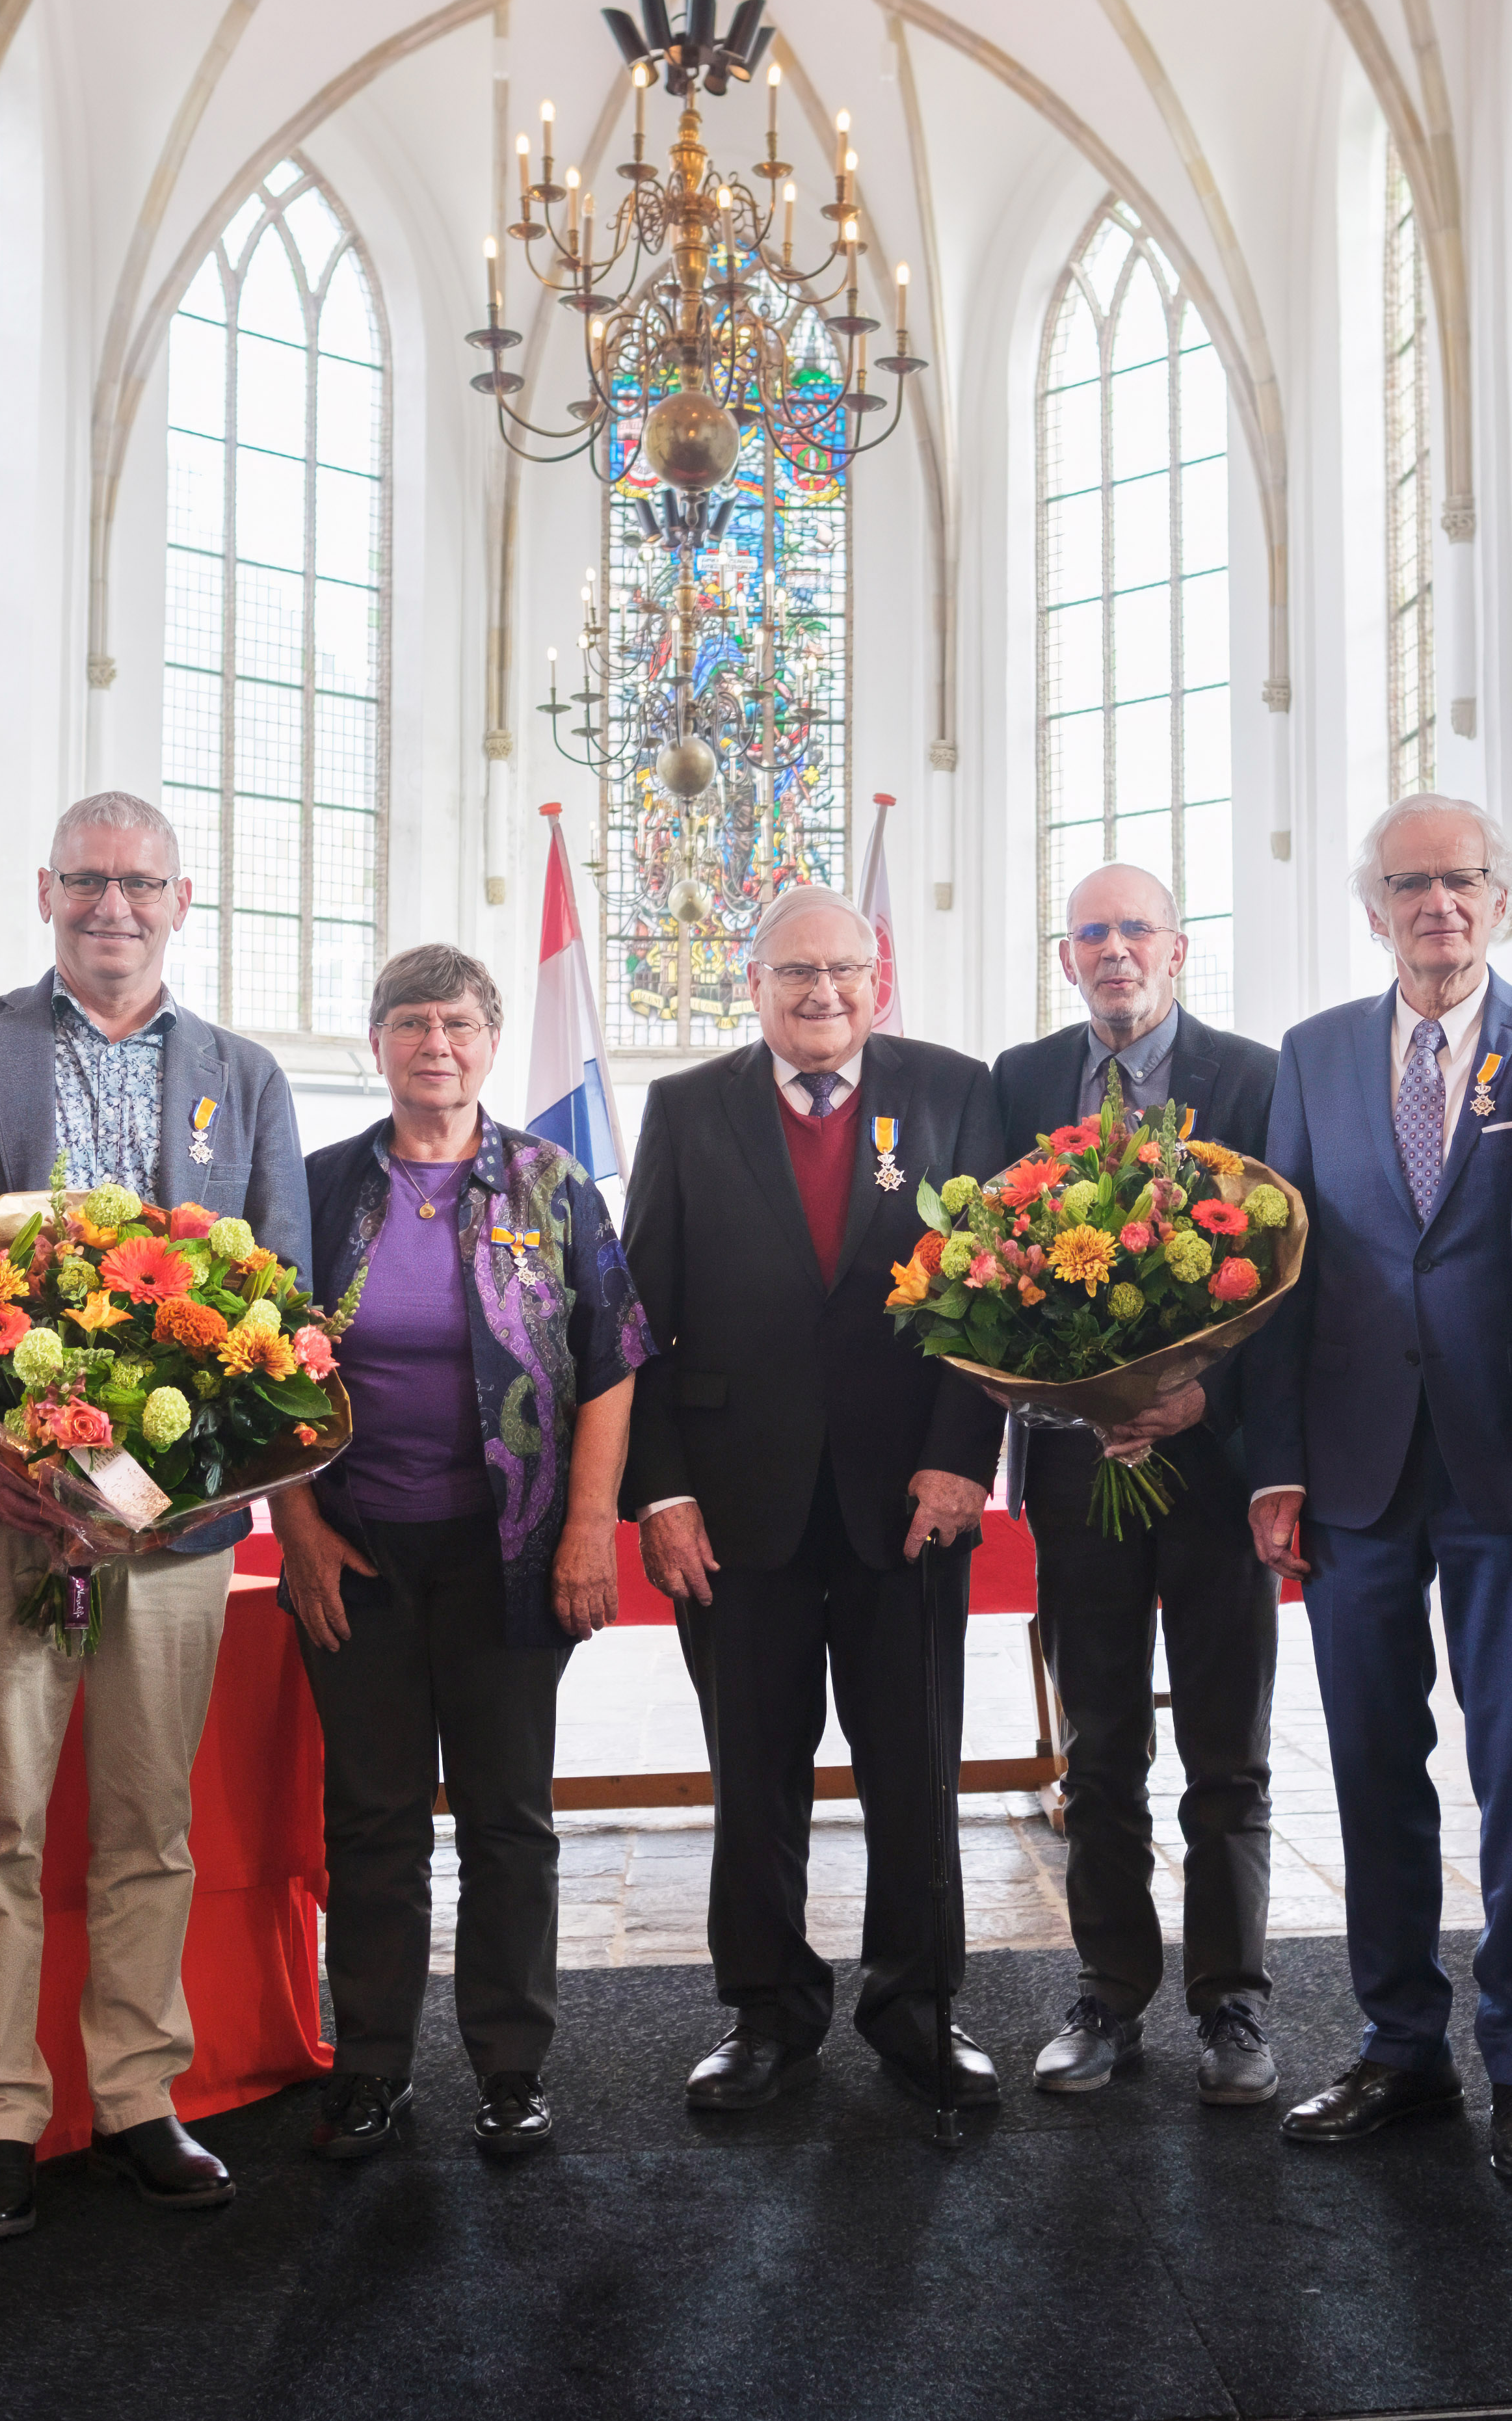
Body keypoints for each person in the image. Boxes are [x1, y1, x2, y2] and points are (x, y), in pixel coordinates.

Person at [0, 790, 310, 2243]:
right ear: (44, 891)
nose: (111, 906)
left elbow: (285, 1306)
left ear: (185, 901)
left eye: (139, 884)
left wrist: (189, 1486)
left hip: (175, 1530)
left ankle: (135, 2094)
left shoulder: (243, 1077)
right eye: (85, 881)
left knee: (148, 1820)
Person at [621, 884, 1014, 2111]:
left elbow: (1000, 1298)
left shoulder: (958, 1091)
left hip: (912, 1501)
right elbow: (644, 1319)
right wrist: (663, 1491)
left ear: (879, 977)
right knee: (755, 1775)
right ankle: (765, 2015)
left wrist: (964, 1456)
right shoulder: (687, 1111)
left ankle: (919, 2009)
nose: (823, 993)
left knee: (915, 1770)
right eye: (795, 972)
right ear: (754, 985)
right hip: (739, 1514)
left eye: (844, 969)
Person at [1241, 794, 1512, 2180]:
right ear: (1370, 908)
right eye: (1407, 886)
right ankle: (1398, 2046)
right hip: (1353, 1475)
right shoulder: (1313, 1054)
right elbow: (1273, 1274)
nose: (1435, 905)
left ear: (1500, 898)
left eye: (1460, 882)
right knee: (1377, 1773)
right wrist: (1272, 1466)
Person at [267, 945, 650, 2162]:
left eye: (460, 1024)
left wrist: (589, 1529)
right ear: (375, 1042)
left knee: (508, 1818)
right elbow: (256, 1369)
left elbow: (613, 1360)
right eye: (411, 1022)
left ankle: (510, 2065)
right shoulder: (318, 1189)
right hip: (360, 1551)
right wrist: (301, 1529)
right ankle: (372, 2065)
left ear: (491, 1042)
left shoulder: (551, 1183)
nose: (436, 1043)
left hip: (515, 1552)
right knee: (371, 1819)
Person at [988, 862, 1282, 2106]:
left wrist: (1201, 1397)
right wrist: (1074, 1402)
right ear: (1068, 958)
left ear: (1178, 949)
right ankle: (1110, 1991)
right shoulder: (1017, 1081)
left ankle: (1233, 2005)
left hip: (1215, 1470)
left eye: (1136, 931)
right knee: (1100, 1748)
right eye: (1092, 933)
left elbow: (1293, 1270)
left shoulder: (1261, 1078)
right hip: (1073, 1469)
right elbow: (989, 1265)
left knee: (1228, 1753)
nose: (1115, 951)